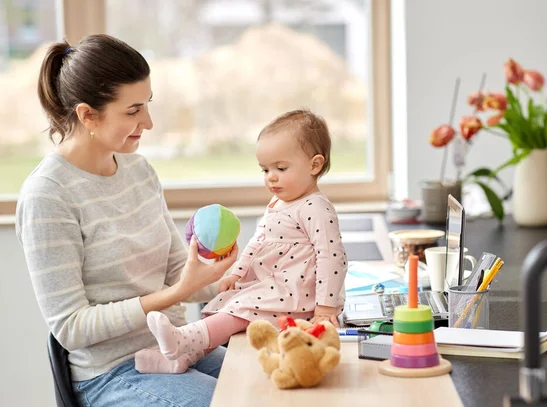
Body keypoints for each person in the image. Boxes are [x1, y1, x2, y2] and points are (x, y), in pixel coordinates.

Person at [15, 34, 238, 407]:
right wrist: (177, 293)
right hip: (111, 373)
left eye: (147, 105)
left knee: (268, 386)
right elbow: (71, 327)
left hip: (179, 346)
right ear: (87, 115)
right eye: (133, 111)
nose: (148, 122)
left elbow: (176, 271)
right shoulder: (48, 196)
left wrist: (229, 278)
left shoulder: (137, 169)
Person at [136, 109, 348, 373]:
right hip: (272, 286)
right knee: (227, 301)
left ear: (314, 165)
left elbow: (332, 257)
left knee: (237, 311)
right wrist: (236, 272)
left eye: (281, 168)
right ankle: (183, 356)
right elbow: (257, 242)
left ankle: (183, 339)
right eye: (265, 169)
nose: (271, 176)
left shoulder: (315, 207)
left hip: (294, 294)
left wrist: (326, 308)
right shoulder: (278, 202)